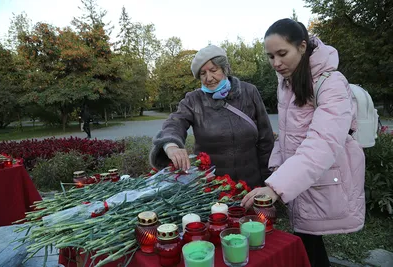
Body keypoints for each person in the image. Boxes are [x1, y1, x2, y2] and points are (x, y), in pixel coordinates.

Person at [241, 19, 365, 267]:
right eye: (270, 56)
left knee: (309, 242)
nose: (276, 63)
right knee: (307, 242)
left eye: (282, 53)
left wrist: (277, 187)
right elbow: (286, 133)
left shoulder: (330, 83)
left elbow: (323, 142)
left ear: (302, 46)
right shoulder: (286, 82)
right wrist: (277, 169)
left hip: (320, 178)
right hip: (298, 180)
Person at [149, 45, 274, 189]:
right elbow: (175, 122)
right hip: (212, 187)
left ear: (224, 69)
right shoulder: (193, 100)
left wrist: (268, 181)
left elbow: (266, 140)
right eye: (203, 73)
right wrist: (171, 145)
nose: (209, 78)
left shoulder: (249, 92)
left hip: (251, 184)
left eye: (214, 70)